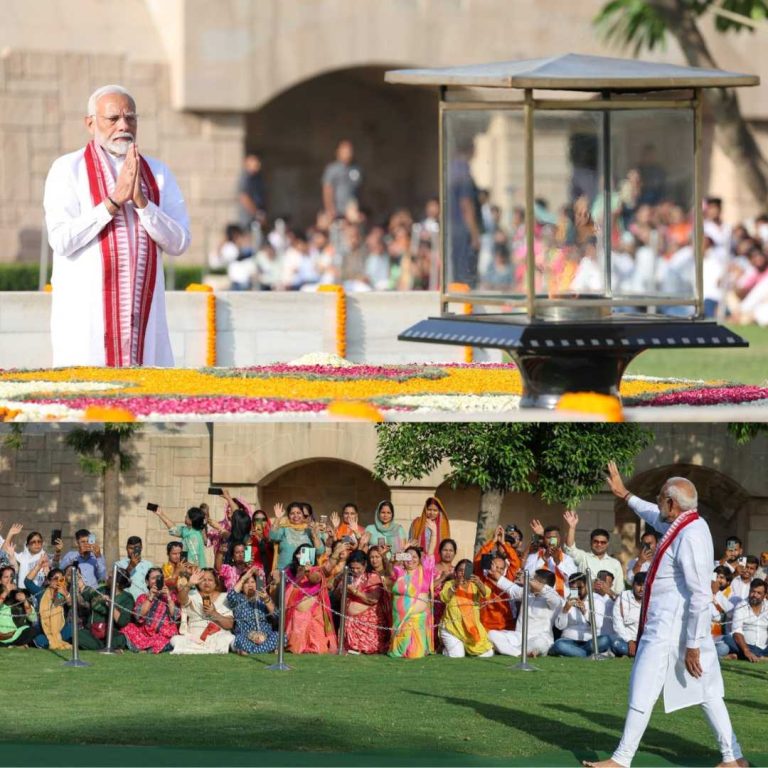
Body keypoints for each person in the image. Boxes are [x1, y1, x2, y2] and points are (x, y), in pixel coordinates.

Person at [583, 463, 746, 768]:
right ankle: (733, 757)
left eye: (660, 498)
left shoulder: (692, 534)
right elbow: (650, 513)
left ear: (671, 503)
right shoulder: (681, 524)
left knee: (646, 687)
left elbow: (700, 593)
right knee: (706, 691)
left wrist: (695, 644)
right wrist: (625, 494)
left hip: (672, 632)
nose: (657, 503)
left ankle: (621, 760)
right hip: (673, 629)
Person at [44, 84, 190, 367]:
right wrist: (112, 202)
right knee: (89, 405)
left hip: (144, 326)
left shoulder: (158, 173)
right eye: (113, 119)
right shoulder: (67, 170)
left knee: (146, 402)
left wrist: (143, 204)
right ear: (90, 123)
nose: (123, 125)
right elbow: (61, 239)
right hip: (88, 330)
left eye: (130, 118)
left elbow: (180, 242)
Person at [486, 567, 562, 657]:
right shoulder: (526, 593)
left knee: (539, 643)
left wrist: (527, 579)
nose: (530, 581)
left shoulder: (554, 598)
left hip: (540, 638)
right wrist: (494, 573)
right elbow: (509, 587)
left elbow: (550, 595)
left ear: (540, 583)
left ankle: (507, 649)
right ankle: (518, 653)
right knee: (492, 634)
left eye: (533, 579)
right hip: (519, 636)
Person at [283, 542, 342, 654]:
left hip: (315, 613)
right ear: (296, 555)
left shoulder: (317, 570)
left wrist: (308, 571)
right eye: (300, 553)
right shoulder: (289, 571)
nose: (302, 555)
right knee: (295, 648)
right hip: (296, 614)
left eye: (306, 553)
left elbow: (315, 579)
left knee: (318, 647)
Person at [438, 559, 494, 658]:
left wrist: (479, 583)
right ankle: (444, 649)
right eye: (460, 570)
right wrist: (456, 586)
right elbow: (444, 598)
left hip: (470, 630)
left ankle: (464, 646)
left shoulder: (474, 585)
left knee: (487, 654)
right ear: (456, 572)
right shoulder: (450, 584)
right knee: (457, 655)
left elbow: (486, 594)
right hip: (452, 629)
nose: (463, 573)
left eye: (466, 570)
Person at [170, 568, 234, 654]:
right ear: (198, 582)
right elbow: (181, 599)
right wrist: (189, 584)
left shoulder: (224, 597)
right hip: (195, 638)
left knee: (229, 638)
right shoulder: (192, 595)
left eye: (210, 580)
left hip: (216, 636)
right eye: (203, 580)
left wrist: (214, 613)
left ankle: (199, 649)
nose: (206, 583)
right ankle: (208, 649)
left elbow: (229, 625)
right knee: (175, 640)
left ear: (216, 583)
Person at [387, 545, 435, 659]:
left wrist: (433, 534)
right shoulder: (399, 572)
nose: (411, 559)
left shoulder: (424, 573)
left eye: (414, 557)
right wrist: (392, 561)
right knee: (397, 653)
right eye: (408, 556)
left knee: (415, 654)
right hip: (399, 619)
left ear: (419, 560)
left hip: (417, 619)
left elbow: (430, 555)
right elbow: (389, 573)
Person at [339, 549, 388, 655]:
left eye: (358, 568)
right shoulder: (348, 576)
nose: (355, 571)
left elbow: (373, 599)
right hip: (350, 622)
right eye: (352, 568)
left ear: (365, 564)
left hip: (368, 623)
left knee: (369, 649)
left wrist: (356, 592)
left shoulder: (373, 577)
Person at [550, 572, 611, 657]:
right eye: (573, 589)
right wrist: (565, 610)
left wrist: (585, 612)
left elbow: (598, 625)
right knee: (558, 645)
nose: (577, 591)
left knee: (605, 640)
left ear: (587, 585)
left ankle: (576, 653)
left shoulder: (597, 600)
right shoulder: (566, 600)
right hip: (569, 640)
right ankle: (587, 655)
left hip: (590, 641)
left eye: (579, 588)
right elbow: (559, 626)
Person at [474, 526, 522, 632]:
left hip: (507, 624)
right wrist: (493, 541)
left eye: (501, 568)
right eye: (495, 567)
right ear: (490, 566)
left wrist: (504, 543)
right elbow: (478, 559)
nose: (498, 570)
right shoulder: (483, 577)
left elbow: (515, 562)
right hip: (486, 624)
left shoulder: (508, 578)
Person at [121, 567, 179, 654]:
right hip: (144, 634)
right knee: (128, 627)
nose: (156, 580)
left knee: (166, 639)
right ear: (147, 582)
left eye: (159, 578)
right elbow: (139, 616)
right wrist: (150, 597)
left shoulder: (170, 596)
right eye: (153, 578)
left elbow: (174, 614)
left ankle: (146, 649)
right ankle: (149, 648)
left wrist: (168, 597)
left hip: (163, 634)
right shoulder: (142, 597)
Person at [563, 510, 625, 591]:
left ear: (607, 544)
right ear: (591, 542)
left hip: (609, 602)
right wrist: (572, 527)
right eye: (596, 541)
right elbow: (570, 549)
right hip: (587, 601)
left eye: (603, 542)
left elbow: (619, 590)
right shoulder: (583, 557)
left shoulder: (615, 563)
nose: (599, 544)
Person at [78, 568, 134, 651]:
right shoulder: (102, 590)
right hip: (92, 631)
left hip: (111, 634)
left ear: (117, 583)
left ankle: (102, 646)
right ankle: (104, 647)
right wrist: (81, 585)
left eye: (110, 577)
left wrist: (110, 604)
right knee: (78, 634)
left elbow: (122, 622)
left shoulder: (127, 598)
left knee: (120, 639)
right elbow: (86, 596)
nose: (107, 578)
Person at [227, 565, 279, 655]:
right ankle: (267, 648)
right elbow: (231, 596)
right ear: (242, 586)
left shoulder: (263, 598)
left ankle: (251, 650)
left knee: (280, 636)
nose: (250, 585)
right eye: (246, 583)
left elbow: (277, 617)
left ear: (257, 584)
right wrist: (244, 577)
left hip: (265, 636)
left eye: (253, 582)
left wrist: (266, 600)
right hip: (246, 636)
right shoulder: (238, 599)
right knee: (238, 639)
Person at [524, 521, 577, 597]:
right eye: (548, 538)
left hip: (560, 602)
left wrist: (558, 562)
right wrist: (544, 558)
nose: (552, 540)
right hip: (538, 602)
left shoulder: (567, 558)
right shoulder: (534, 556)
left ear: (559, 539)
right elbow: (527, 576)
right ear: (544, 539)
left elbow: (574, 579)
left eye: (555, 537)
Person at [269, 502, 324, 572]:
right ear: (288, 516)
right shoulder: (284, 528)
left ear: (303, 515)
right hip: (284, 573)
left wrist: (314, 536)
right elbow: (273, 536)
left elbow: (320, 551)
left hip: (305, 574)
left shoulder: (311, 529)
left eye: (298, 513)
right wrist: (277, 518)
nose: (296, 516)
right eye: (292, 513)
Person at [722, 579, 767, 662]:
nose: (755, 595)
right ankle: (760, 656)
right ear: (749, 591)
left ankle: (739, 655)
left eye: (759, 593)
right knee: (727, 638)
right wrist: (746, 651)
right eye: (753, 591)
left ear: (764, 595)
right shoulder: (741, 606)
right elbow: (737, 631)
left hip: (764, 647)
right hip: (744, 646)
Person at [322, 139, 363, 221]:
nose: (348, 154)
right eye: (345, 151)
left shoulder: (356, 169)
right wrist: (330, 209)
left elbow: (360, 189)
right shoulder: (332, 169)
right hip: (337, 211)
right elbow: (327, 189)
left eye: (350, 151)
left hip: (352, 209)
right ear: (338, 152)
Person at [611, 572, 646, 658]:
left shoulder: (653, 599)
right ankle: (640, 654)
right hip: (626, 641)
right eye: (639, 585)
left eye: (645, 585)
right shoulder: (623, 597)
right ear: (633, 585)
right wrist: (630, 641)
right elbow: (617, 624)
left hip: (646, 641)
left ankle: (636, 653)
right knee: (616, 644)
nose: (642, 589)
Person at [115, 536, 153, 601]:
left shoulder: (149, 565)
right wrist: (131, 566)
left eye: (136, 548)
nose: (133, 551)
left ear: (141, 548)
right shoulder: (118, 564)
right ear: (126, 548)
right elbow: (119, 581)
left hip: (144, 601)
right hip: (125, 601)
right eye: (131, 548)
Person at [237, 153, 267, 229]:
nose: (257, 164)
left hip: (258, 216)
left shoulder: (258, 177)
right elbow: (244, 198)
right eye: (254, 161)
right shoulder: (245, 178)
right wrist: (257, 214)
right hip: (248, 218)